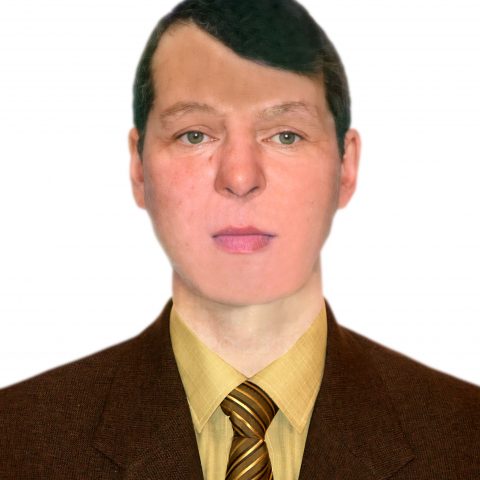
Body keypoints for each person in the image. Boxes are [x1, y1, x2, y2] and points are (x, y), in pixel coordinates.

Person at [1, 0, 478, 478]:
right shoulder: (16, 439)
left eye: (286, 135)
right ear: (139, 168)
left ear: (346, 167)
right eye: (194, 135)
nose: (240, 177)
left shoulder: (466, 436)